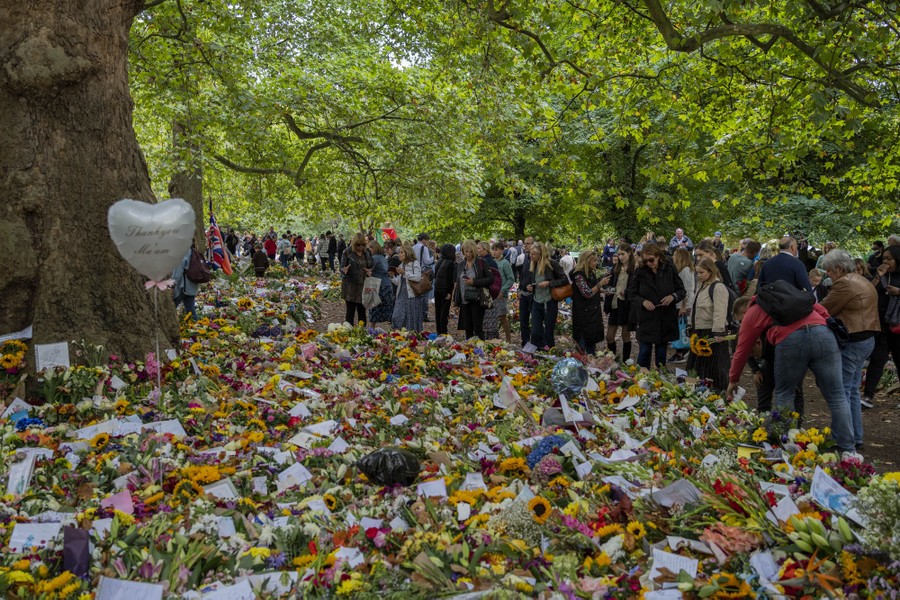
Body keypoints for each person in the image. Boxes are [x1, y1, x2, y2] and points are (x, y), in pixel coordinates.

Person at [727, 295, 858, 458]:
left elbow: (742, 348)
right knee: (837, 396)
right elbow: (820, 309)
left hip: (791, 338)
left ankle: (786, 446)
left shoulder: (754, 310)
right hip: (823, 333)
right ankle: (849, 450)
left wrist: (733, 379)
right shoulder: (792, 298)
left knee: (785, 393)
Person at [820, 250, 880, 448]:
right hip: (866, 339)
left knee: (841, 392)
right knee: (852, 390)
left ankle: (842, 439)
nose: (827, 274)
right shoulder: (860, 279)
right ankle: (855, 436)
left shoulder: (844, 283)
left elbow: (824, 309)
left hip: (853, 341)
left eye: (829, 270)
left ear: (838, 268)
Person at [627, 243, 686, 368]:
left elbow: (681, 290)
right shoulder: (640, 271)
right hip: (646, 318)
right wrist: (643, 301)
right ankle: (642, 377)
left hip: (665, 318)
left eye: (651, 260)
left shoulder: (669, 267)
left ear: (658, 256)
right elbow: (631, 293)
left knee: (661, 353)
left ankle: (660, 376)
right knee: (644, 352)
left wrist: (672, 296)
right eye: (645, 260)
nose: (649, 263)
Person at [861, 245, 900, 407]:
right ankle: (868, 396)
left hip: (897, 325)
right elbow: (868, 291)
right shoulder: (881, 274)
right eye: (884, 258)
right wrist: (878, 276)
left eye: (889, 259)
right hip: (881, 324)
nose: (885, 262)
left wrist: (899, 292)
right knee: (877, 358)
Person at [686, 257, 731, 389]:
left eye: (702, 272)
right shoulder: (701, 286)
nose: (699, 275)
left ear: (710, 271)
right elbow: (695, 308)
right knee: (697, 367)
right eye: (697, 272)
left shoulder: (718, 287)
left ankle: (716, 392)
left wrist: (718, 331)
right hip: (699, 331)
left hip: (712, 333)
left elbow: (720, 311)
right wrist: (690, 325)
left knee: (713, 368)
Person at [526, 242, 568, 349]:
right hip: (536, 301)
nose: (530, 256)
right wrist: (531, 287)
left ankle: (550, 353)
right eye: (530, 253)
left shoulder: (552, 264)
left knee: (549, 332)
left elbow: (564, 279)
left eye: (533, 254)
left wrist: (549, 283)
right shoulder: (533, 264)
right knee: (535, 332)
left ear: (540, 254)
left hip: (549, 302)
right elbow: (534, 281)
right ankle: (533, 354)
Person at [570, 250, 609, 355]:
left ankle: (591, 361)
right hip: (583, 315)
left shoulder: (591, 273)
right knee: (583, 345)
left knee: (591, 341)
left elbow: (592, 288)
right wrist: (600, 284)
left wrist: (604, 290)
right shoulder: (578, 275)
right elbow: (587, 293)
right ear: (587, 261)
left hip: (592, 313)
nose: (597, 263)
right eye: (594, 261)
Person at [452, 239, 493, 339]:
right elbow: (458, 285)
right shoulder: (461, 264)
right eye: (466, 251)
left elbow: (490, 279)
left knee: (477, 327)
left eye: (470, 252)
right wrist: (456, 303)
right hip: (464, 300)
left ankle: (480, 347)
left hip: (477, 300)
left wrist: (474, 282)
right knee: (467, 328)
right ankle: (469, 347)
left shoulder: (481, 262)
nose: (468, 254)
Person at [606, 243, 635, 361]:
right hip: (615, 303)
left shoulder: (634, 269)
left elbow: (636, 288)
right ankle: (612, 360)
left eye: (623, 254)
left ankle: (626, 361)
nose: (620, 257)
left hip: (627, 305)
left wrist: (627, 292)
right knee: (609, 336)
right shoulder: (616, 268)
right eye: (618, 254)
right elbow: (611, 284)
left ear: (629, 253)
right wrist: (608, 290)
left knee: (625, 335)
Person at [391, 242, 426, 332]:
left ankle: (410, 336)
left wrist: (404, 273)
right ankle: (399, 333)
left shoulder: (415, 263)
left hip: (412, 295)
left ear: (408, 253)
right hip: (401, 294)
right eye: (399, 252)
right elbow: (399, 282)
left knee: (410, 319)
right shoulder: (401, 265)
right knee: (396, 316)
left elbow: (417, 278)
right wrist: (392, 277)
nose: (399, 254)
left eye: (401, 252)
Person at [340, 233, 373, 326]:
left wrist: (370, 270)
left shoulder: (367, 252)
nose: (361, 247)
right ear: (354, 244)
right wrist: (344, 270)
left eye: (363, 244)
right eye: (358, 244)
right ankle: (348, 330)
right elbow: (341, 267)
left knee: (362, 311)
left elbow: (371, 265)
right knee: (350, 311)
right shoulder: (347, 252)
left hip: (363, 285)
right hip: (350, 286)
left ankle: (361, 331)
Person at [670, 247, 695, 363]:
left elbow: (686, 290)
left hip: (683, 304)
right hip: (681, 303)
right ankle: (680, 351)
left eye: (675, 255)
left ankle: (681, 352)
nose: (673, 257)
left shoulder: (685, 270)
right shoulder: (684, 269)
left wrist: (684, 306)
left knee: (682, 328)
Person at [477, 241, 502, 339]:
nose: (477, 250)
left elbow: (492, 280)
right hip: (490, 294)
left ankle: (489, 342)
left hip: (488, 294)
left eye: (479, 248)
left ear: (485, 249)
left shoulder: (486, 262)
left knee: (488, 321)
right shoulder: (488, 260)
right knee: (490, 321)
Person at [366, 241, 395, 326]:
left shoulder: (374, 258)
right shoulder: (383, 257)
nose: (368, 250)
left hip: (378, 286)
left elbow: (368, 269)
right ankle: (394, 331)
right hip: (387, 285)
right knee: (388, 309)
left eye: (369, 248)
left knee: (374, 309)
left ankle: (371, 330)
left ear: (373, 248)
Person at [491, 242, 515, 343]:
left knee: (502, 316)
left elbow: (511, 279)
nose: (494, 252)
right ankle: (495, 338)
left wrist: (503, 290)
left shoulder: (505, 263)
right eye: (493, 250)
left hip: (501, 294)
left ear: (502, 250)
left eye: (496, 250)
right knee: (493, 316)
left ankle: (508, 339)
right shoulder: (492, 262)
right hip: (492, 293)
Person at [433, 244, 457, 335]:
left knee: (438, 311)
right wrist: (449, 291)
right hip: (445, 289)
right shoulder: (450, 263)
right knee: (444, 312)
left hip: (437, 288)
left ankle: (439, 330)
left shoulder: (439, 261)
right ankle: (443, 331)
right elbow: (450, 279)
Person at [172, 246, 200, 320]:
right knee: (191, 311)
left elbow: (178, 271)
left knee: (170, 308)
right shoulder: (192, 250)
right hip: (192, 286)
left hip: (183, 286)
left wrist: (172, 284)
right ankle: (196, 325)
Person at [517, 237, 536, 345]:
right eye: (525, 243)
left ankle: (535, 342)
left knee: (535, 320)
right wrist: (519, 289)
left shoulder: (538, 259)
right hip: (523, 293)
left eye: (528, 243)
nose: (525, 245)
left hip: (534, 294)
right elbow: (522, 275)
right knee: (523, 319)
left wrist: (535, 287)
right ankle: (525, 341)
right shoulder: (524, 257)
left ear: (534, 244)